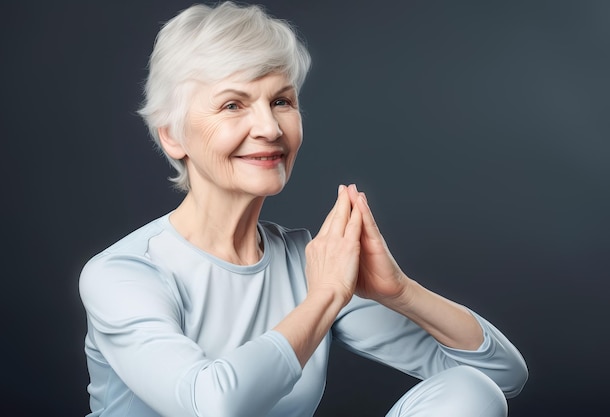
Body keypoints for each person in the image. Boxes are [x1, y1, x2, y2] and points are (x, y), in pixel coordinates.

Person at [78, 2, 528, 416]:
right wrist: (325, 298)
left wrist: (401, 292)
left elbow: (502, 377)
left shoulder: (308, 264)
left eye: (281, 101)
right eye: (233, 105)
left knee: (472, 391)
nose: (270, 128)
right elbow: (211, 404)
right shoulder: (123, 273)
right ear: (172, 136)